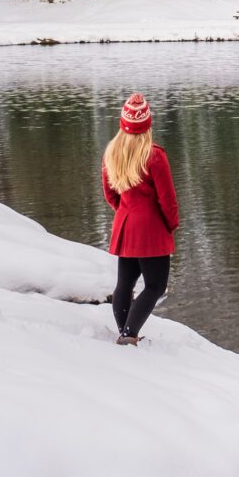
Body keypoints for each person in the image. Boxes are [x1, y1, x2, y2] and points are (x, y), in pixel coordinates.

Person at [101, 92, 178, 346]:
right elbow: (167, 199)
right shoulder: (154, 155)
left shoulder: (112, 152)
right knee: (155, 286)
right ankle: (129, 334)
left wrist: (125, 211)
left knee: (125, 282)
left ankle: (124, 331)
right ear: (147, 125)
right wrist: (171, 224)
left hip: (125, 226)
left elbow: (110, 193)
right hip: (151, 230)